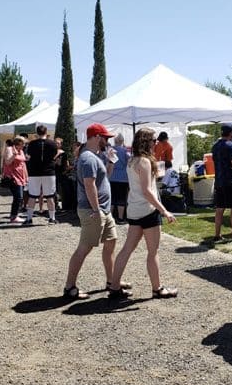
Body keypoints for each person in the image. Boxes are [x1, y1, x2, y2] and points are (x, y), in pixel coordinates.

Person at [109, 128, 178, 299]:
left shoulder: (132, 160)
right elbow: (147, 191)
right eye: (154, 140)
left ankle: (114, 285)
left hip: (134, 209)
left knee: (126, 249)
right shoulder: (145, 162)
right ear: (147, 142)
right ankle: (157, 288)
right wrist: (164, 210)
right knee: (152, 251)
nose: (156, 143)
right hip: (147, 210)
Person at [62, 123, 122, 300]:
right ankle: (69, 287)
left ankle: (112, 282)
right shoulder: (88, 158)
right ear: (96, 137)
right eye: (105, 138)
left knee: (111, 242)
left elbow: (105, 180)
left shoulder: (96, 156)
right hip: (93, 210)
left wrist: (111, 161)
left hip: (102, 209)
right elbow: (90, 185)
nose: (107, 141)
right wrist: (96, 209)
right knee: (84, 248)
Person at [23, 125, 60, 225]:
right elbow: (54, 155)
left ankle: (29, 219)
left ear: (37, 132)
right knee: (50, 196)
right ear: (46, 132)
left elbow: (28, 156)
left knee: (32, 196)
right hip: (49, 172)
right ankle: (52, 218)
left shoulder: (32, 144)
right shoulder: (52, 143)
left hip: (34, 172)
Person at [211, 124, 232, 241]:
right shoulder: (230, 145)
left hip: (219, 181)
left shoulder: (215, 146)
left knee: (219, 209)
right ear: (231, 133)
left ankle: (217, 235)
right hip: (231, 181)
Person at [2, 137, 28, 223]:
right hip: (12, 177)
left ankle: (14, 215)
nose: (24, 145)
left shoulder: (21, 151)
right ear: (19, 143)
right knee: (18, 197)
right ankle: (14, 217)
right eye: (23, 143)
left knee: (19, 197)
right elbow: (7, 162)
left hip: (20, 177)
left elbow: (23, 164)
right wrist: (14, 155)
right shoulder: (10, 149)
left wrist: (26, 176)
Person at [109, 133, 130, 223]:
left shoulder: (111, 151)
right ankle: (120, 218)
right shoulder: (125, 151)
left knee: (112, 198)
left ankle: (110, 217)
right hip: (123, 178)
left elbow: (109, 163)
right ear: (122, 141)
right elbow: (129, 162)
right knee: (121, 198)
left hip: (112, 176)